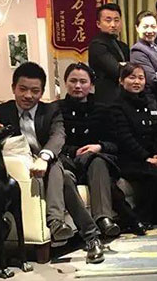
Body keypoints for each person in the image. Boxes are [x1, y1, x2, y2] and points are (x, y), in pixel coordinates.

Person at [0, 62, 104, 264]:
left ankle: (58, 223)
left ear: (41, 92)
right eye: (23, 89)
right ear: (13, 88)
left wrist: (43, 158)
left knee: (54, 164)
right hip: (22, 167)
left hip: (49, 162)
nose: (28, 95)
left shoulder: (51, 111)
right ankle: (88, 236)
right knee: (64, 178)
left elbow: (58, 136)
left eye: (35, 91)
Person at [55, 63, 145, 238]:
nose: (78, 86)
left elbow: (115, 143)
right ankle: (126, 219)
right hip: (68, 161)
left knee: (97, 161)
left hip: (97, 162)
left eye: (83, 81)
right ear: (65, 83)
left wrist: (100, 146)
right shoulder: (56, 109)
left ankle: (104, 219)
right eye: (73, 81)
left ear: (91, 85)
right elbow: (53, 140)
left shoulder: (103, 110)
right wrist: (75, 151)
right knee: (97, 173)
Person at [112, 63, 157, 226]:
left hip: (151, 156)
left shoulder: (149, 102)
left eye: (140, 78)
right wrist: (146, 157)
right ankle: (144, 216)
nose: (137, 82)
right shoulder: (116, 106)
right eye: (132, 77)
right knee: (152, 174)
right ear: (121, 81)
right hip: (129, 159)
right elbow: (125, 138)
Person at [88, 3, 130, 104]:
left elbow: (132, 70)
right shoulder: (97, 45)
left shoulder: (123, 46)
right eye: (108, 20)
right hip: (106, 100)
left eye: (116, 20)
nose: (113, 25)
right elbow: (117, 70)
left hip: (125, 97)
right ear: (98, 24)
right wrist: (126, 66)